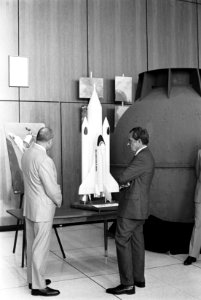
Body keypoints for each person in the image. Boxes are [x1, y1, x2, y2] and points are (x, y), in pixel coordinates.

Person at [106, 127, 155, 295]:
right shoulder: (145, 156)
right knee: (137, 242)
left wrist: (125, 182)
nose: (129, 144)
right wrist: (128, 182)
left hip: (131, 209)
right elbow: (133, 180)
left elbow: (123, 177)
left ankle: (127, 284)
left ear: (139, 141)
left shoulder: (142, 158)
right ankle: (138, 279)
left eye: (131, 141)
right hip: (139, 208)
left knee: (121, 240)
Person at [21, 127, 62, 296]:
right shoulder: (45, 160)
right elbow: (51, 188)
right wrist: (59, 200)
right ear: (50, 141)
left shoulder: (27, 154)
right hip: (42, 209)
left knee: (31, 246)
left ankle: (33, 280)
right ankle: (39, 287)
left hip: (29, 207)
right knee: (40, 248)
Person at [184, 149, 201, 265]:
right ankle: (193, 255)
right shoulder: (200, 152)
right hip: (200, 194)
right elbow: (197, 172)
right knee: (198, 224)